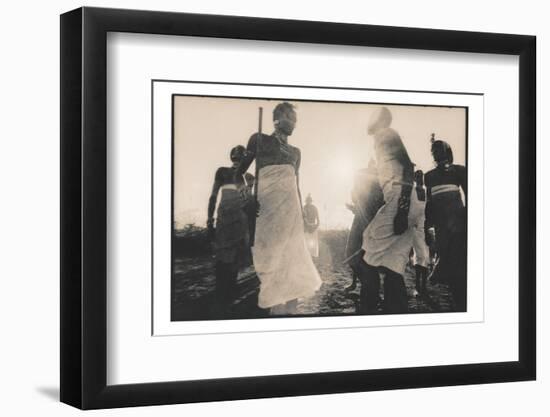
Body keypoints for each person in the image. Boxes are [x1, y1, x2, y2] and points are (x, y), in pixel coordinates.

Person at [235, 102, 322, 315]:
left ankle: (290, 313)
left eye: (296, 120)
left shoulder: (296, 152)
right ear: (277, 118)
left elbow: (296, 185)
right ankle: (274, 311)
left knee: (293, 260)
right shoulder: (259, 140)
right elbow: (237, 174)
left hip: (291, 213)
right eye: (290, 118)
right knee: (271, 259)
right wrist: (247, 196)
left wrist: (302, 215)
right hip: (266, 210)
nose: (294, 123)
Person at [362, 107, 424, 314]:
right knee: (393, 263)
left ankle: (368, 308)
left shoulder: (387, 134)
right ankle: (394, 310)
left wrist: (402, 208)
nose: (369, 119)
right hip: (401, 199)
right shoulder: (379, 140)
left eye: (373, 115)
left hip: (402, 198)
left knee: (367, 247)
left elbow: (408, 166)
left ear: (380, 120)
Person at [424, 138, 467, 311]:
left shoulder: (460, 171)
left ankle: (464, 304)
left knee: (460, 267)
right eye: (434, 151)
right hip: (442, 229)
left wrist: (467, 219)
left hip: (460, 226)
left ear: (448, 152)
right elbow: (430, 203)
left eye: (440, 150)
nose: (437, 154)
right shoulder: (429, 176)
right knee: (450, 271)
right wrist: (427, 227)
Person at [207, 145, 250, 316]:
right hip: (227, 218)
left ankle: (227, 293)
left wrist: (210, 219)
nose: (237, 162)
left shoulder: (241, 179)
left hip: (236, 219)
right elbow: (213, 196)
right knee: (225, 255)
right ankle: (224, 293)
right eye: (238, 158)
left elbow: (213, 197)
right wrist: (210, 219)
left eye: (240, 159)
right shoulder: (224, 172)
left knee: (231, 256)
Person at [343, 159, 384, 313]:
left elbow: (380, 200)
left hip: (373, 220)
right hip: (361, 218)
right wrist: (356, 205)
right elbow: (355, 195)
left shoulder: (380, 178)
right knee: (352, 254)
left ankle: (371, 295)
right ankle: (368, 290)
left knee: (367, 258)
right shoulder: (361, 177)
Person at [412, 169, 430, 296]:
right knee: (420, 256)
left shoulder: (427, 192)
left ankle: (423, 286)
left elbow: (431, 209)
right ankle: (418, 286)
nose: (420, 179)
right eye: (418, 176)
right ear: (415, 179)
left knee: (426, 257)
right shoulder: (412, 192)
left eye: (421, 176)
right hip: (416, 227)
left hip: (426, 227)